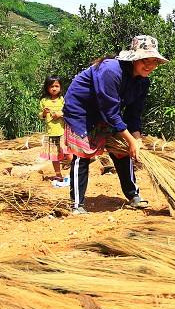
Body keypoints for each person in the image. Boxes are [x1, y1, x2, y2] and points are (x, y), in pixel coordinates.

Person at [62, 35, 168, 214]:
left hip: (106, 111)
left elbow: (134, 114)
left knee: (122, 151)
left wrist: (136, 140)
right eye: (145, 60)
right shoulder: (111, 70)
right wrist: (131, 141)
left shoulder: (143, 82)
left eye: (154, 61)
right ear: (134, 58)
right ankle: (77, 205)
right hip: (81, 110)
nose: (150, 65)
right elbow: (110, 111)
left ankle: (133, 195)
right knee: (82, 153)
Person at [39, 76, 70, 186]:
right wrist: (43, 113)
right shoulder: (44, 101)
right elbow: (41, 116)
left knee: (68, 153)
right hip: (51, 133)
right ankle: (58, 174)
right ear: (47, 88)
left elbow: (68, 110)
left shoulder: (63, 99)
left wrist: (60, 114)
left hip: (63, 131)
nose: (54, 88)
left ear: (60, 88)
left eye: (56, 86)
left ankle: (74, 172)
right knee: (54, 156)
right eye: (51, 86)